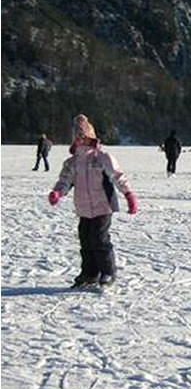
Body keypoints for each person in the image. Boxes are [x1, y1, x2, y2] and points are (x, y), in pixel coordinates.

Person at [48, 114, 138, 288]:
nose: (81, 140)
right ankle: (90, 273)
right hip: (83, 208)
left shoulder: (102, 157)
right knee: (85, 241)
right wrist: (58, 193)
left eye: (84, 137)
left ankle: (108, 271)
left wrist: (129, 195)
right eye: (78, 137)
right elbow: (65, 181)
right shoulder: (72, 162)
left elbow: (118, 177)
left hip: (103, 206)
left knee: (99, 239)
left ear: (91, 137)